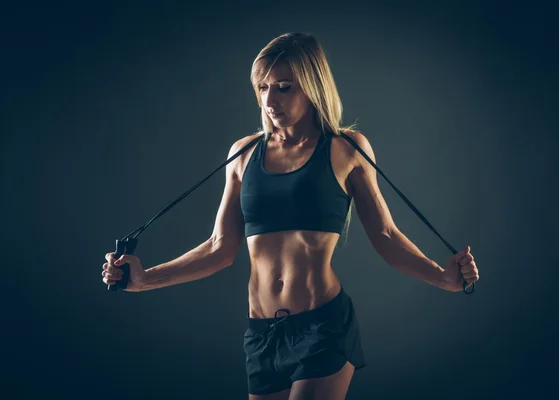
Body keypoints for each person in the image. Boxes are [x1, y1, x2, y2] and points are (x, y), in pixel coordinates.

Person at [101, 32, 479, 400]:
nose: (269, 99)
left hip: (322, 327)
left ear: (312, 87)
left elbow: (385, 235)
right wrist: (145, 279)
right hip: (261, 333)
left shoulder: (346, 148)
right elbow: (219, 248)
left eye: (284, 87)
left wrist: (443, 277)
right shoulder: (243, 154)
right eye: (262, 87)